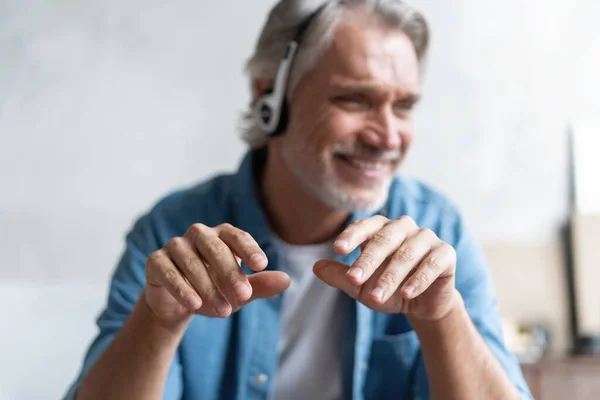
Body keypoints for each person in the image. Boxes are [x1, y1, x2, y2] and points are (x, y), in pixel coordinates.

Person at [66, 0, 533, 399]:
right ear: (269, 95)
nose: (389, 136)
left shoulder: (437, 229)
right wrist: (157, 323)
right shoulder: (173, 229)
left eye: (404, 106)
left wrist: (442, 317)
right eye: (354, 100)